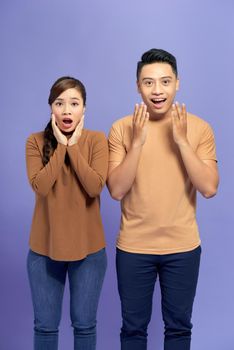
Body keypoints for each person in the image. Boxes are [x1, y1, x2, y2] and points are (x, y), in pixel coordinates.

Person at [107, 49, 219, 350]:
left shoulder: (199, 128)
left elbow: (209, 188)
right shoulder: (121, 128)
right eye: (149, 83)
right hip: (133, 248)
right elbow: (116, 190)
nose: (157, 91)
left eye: (165, 82)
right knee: (132, 330)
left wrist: (182, 141)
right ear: (137, 86)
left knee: (179, 330)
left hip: (183, 248)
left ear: (177, 84)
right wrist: (139, 142)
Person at [26, 76, 108, 350]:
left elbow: (95, 186)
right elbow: (40, 186)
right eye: (60, 103)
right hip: (44, 250)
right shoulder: (35, 142)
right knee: (45, 327)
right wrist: (62, 146)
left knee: (85, 327)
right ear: (51, 107)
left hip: (89, 252)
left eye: (74, 103)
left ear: (84, 109)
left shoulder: (96, 140)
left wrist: (73, 148)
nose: (66, 110)